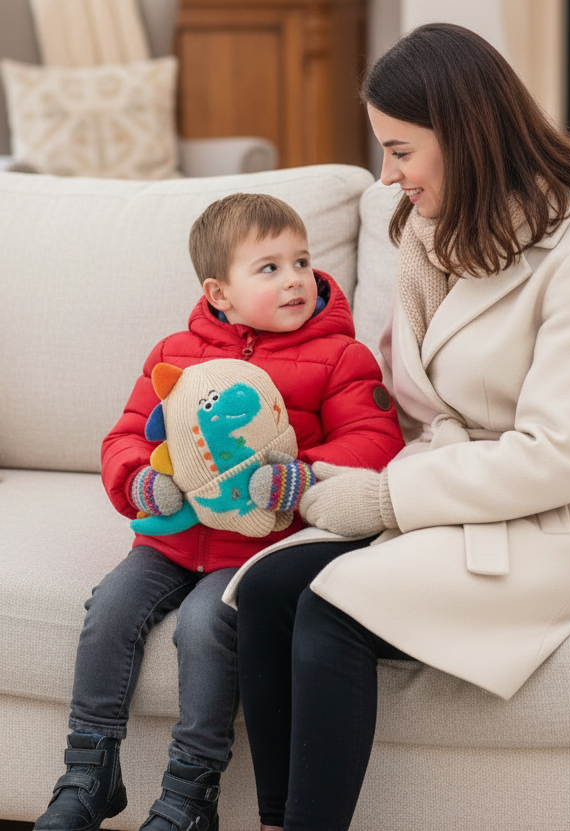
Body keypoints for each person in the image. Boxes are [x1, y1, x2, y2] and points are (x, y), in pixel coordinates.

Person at [228, 22, 570, 831]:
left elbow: (557, 457)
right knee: (269, 590)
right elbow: (418, 405)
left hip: (551, 521)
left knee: (334, 604)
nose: (388, 175)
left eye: (401, 151)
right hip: (452, 492)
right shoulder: (432, 237)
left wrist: (384, 500)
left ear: (464, 135)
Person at [33, 193, 404, 831]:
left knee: (205, 627)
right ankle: (89, 773)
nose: (296, 279)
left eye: (301, 261)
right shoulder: (174, 354)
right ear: (219, 293)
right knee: (110, 608)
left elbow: (375, 442)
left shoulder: (342, 357)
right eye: (269, 268)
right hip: (170, 542)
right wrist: (141, 482)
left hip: (254, 551)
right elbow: (127, 437)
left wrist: (303, 475)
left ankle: (190, 793)